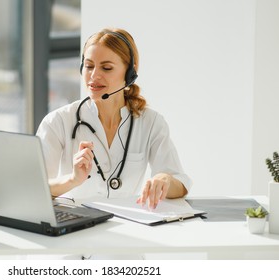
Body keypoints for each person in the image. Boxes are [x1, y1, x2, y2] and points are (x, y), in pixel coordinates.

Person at [36, 28, 192, 209]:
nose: (94, 76)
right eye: (88, 66)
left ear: (129, 74)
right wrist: (73, 179)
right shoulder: (58, 121)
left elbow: (181, 184)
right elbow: (34, 190)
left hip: (128, 226)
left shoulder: (151, 122)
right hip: (74, 227)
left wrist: (164, 180)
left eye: (106, 68)